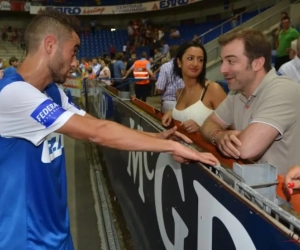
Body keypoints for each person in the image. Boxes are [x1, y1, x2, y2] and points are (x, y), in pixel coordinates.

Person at [0, 9, 219, 250]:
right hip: (24, 239)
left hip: (56, 233)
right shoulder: (12, 93)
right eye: (73, 51)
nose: (75, 63)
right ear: (50, 45)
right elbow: (97, 131)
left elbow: (95, 125)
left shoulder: (52, 92)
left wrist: (155, 136)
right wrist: (172, 146)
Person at [201, 28, 300, 176]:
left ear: (257, 63)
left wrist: (227, 137)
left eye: (231, 61)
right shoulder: (237, 92)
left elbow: (246, 149)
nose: (223, 69)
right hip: (252, 192)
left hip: (283, 197)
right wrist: (218, 135)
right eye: (223, 61)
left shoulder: (283, 89)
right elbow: (208, 124)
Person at [162, 41, 227, 133]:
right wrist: (171, 112)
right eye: (190, 58)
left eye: (200, 59)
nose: (196, 64)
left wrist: (202, 129)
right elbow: (186, 114)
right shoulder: (179, 93)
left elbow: (232, 127)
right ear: (179, 62)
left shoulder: (212, 89)